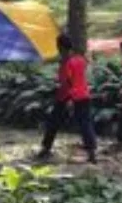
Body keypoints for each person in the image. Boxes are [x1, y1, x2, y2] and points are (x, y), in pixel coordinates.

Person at [37, 34, 97, 163]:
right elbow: (83, 74)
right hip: (84, 95)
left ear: (61, 47)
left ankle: (46, 148)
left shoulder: (66, 63)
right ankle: (92, 152)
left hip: (67, 96)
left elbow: (69, 82)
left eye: (58, 47)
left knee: (53, 122)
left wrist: (69, 99)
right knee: (85, 124)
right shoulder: (80, 60)